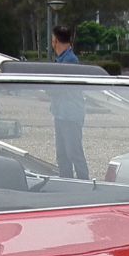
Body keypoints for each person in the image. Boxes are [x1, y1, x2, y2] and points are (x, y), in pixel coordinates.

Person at [50, 25, 89, 179]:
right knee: (62, 154)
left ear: (56, 41)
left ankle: (84, 184)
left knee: (74, 152)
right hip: (60, 113)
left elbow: (60, 88)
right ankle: (66, 182)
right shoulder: (62, 59)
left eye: (53, 40)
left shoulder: (70, 61)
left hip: (70, 114)